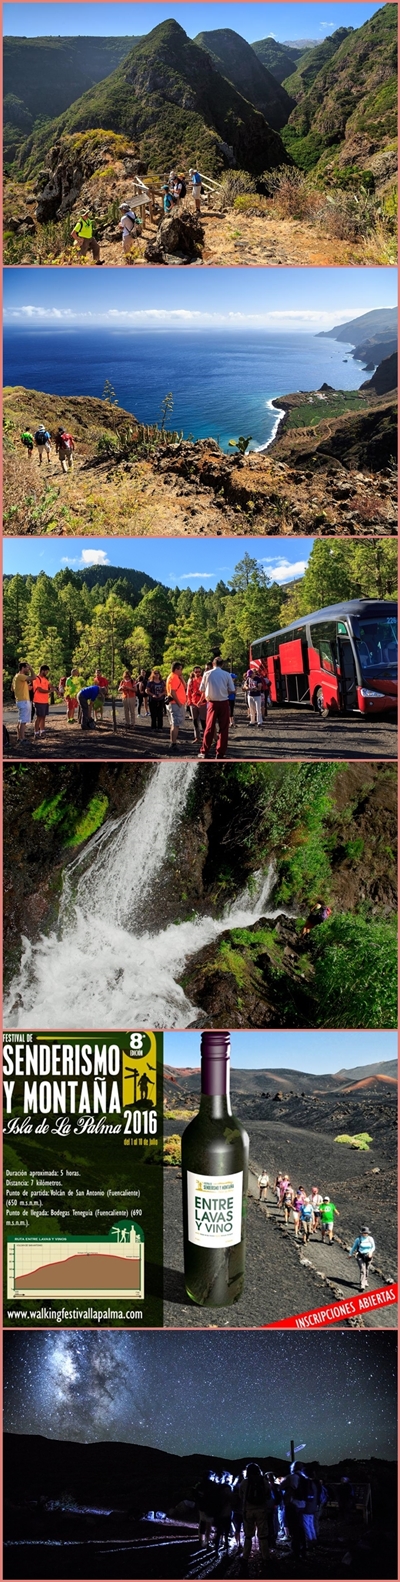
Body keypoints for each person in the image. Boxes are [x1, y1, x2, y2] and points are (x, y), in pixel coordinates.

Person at [198, 658, 235, 761]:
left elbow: (201, 689)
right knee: (224, 728)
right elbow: (232, 689)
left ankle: (204, 751)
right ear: (222, 664)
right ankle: (220, 753)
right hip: (223, 702)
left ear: (213, 664)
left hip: (212, 703)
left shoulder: (207, 674)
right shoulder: (227, 674)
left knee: (209, 727)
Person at [241, 1463, 269, 1572]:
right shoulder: (263, 1481)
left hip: (248, 1511)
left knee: (248, 1535)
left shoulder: (244, 1482)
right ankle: (265, 1557)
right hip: (261, 1510)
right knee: (263, 1535)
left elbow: (241, 1495)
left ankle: (245, 1557)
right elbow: (268, 1493)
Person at [166, 661, 187, 754]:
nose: (182, 670)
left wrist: (181, 678)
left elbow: (185, 686)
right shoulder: (173, 677)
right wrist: (179, 703)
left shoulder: (175, 677)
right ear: (176, 669)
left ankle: (173, 742)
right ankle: (173, 744)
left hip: (175, 703)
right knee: (176, 724)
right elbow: (173, 691)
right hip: (175, 704)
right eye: (180, 669)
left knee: (174, 724)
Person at [12, 661, 33, 745]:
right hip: (23, 701)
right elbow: (33, 677)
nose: (28, 669)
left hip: (21, 700)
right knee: (23, 721)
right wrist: (31, 669)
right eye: (27, 667)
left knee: (21, 720)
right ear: (23, 668)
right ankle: (22, 739)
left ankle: (19, 737)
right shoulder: (20, 676)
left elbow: (13, 688)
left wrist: (25, 687)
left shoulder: (16, 677)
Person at [187, 667, 207, 744]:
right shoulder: (191, 680)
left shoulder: (203, 680)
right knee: (195, 721)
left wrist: (200, 701)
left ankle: (205, 737)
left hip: (202, 703)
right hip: (193, 703)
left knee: (203, 721)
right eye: (196, 672)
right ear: (193, 672)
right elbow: (188, 692)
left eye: (199, 671)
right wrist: (189, 702)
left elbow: (204, 691)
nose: (197, 673)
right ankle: (197, 737)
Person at [32, 665, 51, 737]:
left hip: (45, 701)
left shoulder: (45, 679)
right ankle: (36, 732)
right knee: (39, 717)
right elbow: (39, 689)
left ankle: (42, 731)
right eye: (46, 671)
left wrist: (55, 689)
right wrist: (49, 691)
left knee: (43, 716)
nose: (47, 673)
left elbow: (50, 685)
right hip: (38, 701)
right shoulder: (36, 678)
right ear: (42, 670)